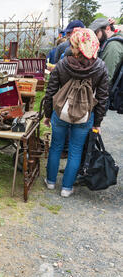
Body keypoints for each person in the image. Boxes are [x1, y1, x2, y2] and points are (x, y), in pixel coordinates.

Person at [43, 28, 109, 198]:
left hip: (61, 112)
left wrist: (48, 114)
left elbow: (50, 91)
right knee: (76, 150)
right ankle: (66, 188)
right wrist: (97, 123)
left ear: (74, 45)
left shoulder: (63, 64)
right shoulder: (100, 67)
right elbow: (102, 98)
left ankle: (50, 182)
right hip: (85, 115)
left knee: (56, 146)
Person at [89, 18, 123, 82]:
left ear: (107, 29)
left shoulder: (113, 46)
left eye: (96, 33)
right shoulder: (108, 42)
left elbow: (105, 78)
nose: (94, 36)